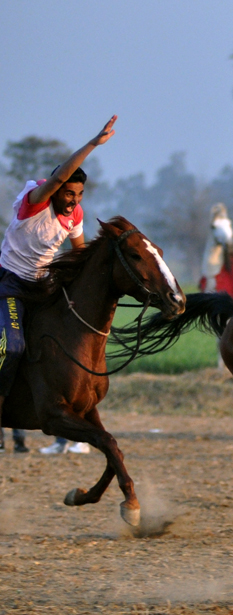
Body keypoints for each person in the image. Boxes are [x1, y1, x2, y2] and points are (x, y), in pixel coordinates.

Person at [1, 116, 117, 453]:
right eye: (68, 193)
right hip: (9, 286)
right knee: (12, 347)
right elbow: (60, 175)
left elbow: (80, 253)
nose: (74, 200)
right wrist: (93, 144)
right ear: (56, 188)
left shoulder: (75, 215)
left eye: (79, 195)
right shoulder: (34, 202)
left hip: (43, 286)